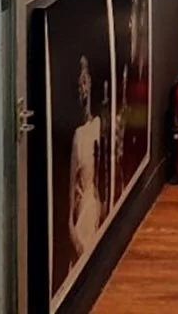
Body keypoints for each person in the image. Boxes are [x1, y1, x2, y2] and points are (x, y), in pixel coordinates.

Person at [68, 57, 104, 261]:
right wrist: (73, 234)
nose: (82, 88)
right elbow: (71, 191)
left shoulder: (98, 125)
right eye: (79, 84)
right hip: (83, 214)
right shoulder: (78, 135)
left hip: (95, 207)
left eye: (84, 82)